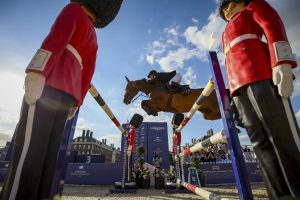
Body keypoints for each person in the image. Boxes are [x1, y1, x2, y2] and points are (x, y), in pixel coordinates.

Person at [0, 1, 122, 199]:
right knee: (49, 157)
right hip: (68, 95)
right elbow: (87, 73)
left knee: (29, 150)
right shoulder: (94, 37)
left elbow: (56, 39)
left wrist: (37, 71)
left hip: (49, 81)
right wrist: (78, 101)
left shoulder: (73, 9)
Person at [219, 0, 300, 199]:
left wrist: (282, 60)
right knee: (259, 143)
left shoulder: (253, 6)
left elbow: (271, 24)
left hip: (260, 73)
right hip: (238, 88)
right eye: (223, 8)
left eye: (227, 4)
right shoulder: (224, 33)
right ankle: (279, 195)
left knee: (280, 135)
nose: (224, 10)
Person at [126, 113, 143, 183]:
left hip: (129, 149)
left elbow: (132, 141)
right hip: (128, 149)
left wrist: (129, 149)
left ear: (132, 124)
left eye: (130, 124)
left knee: (129, 164)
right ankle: (128, 177)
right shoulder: (131, 130)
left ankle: (129, 178)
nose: (129, 125)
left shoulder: (133, 130)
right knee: (128, 164)